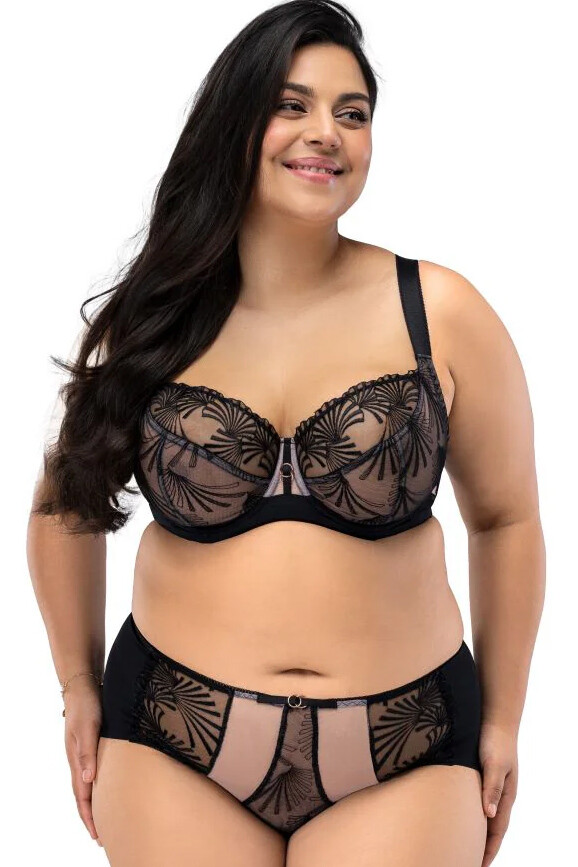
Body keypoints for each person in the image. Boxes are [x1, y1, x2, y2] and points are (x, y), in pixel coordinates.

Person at [26, 2, 546, 865]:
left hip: (408, 744)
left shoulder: (443, 311)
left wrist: (504, 718)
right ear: (235, 121)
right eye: (292, 105)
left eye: (353, 113)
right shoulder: (154, 320)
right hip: (171, 734)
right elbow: (65, 506)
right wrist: (77, 684)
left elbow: (507, 519)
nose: (326, 133)